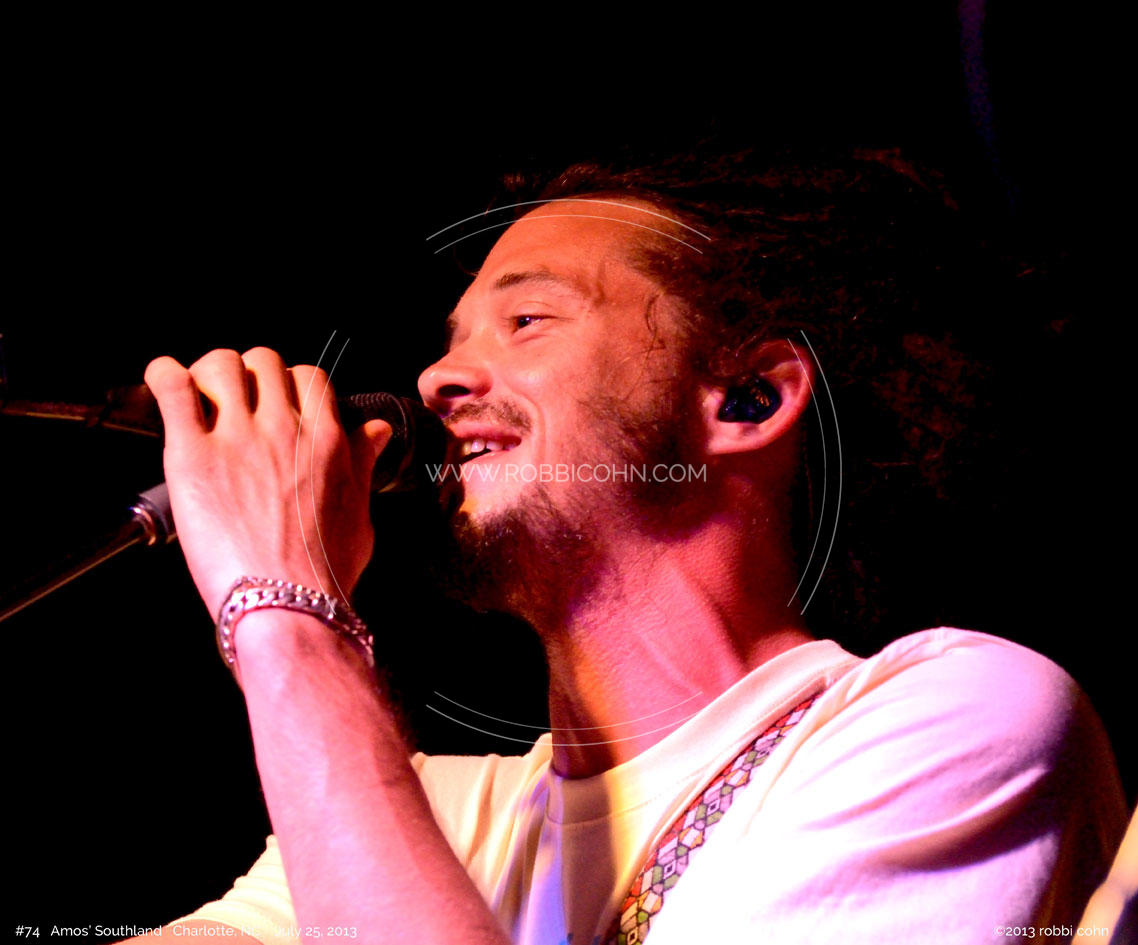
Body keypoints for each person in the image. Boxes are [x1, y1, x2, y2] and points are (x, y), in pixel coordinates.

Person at [131, 151, 1126, 944]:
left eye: (527, 319)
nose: (436, 378)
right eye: (454, 336)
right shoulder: (423, 807)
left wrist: (285, 610)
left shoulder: (953, 722)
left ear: (748, 400)